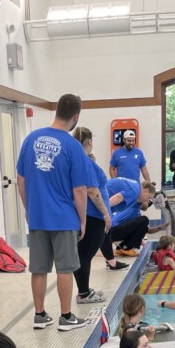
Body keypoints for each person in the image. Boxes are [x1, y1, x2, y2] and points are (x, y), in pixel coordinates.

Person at [15, 93, 89, 332]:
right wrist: (83, 220)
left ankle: (40, 315)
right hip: (63, 217)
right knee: (65, 268)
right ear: (75, 116)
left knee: (39, 267)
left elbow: (21, 179)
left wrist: (28, 209)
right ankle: (66, 317)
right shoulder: (72, 146)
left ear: (56, 111)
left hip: (38, 217)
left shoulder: (30, 139)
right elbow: (79, 189)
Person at [71, 127, 110, 304]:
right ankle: (84, 293)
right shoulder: (85, 163)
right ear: (89, 142)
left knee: (82, 254)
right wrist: (105, 214)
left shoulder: (81, 160)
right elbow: (93, 191)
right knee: (84, 256)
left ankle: (84, 291)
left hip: (87, 215)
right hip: (94, 216)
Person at [102, 177, 154, 258]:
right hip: (110, 230)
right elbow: (118, 197)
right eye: (149, 197)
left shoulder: (133, 190)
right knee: (144, 220)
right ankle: (126, 248)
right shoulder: (135, 190)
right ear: (146, 190)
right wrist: (103, 209)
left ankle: (121, 249)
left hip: (108, 229)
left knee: (142, 222)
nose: (147, 201)